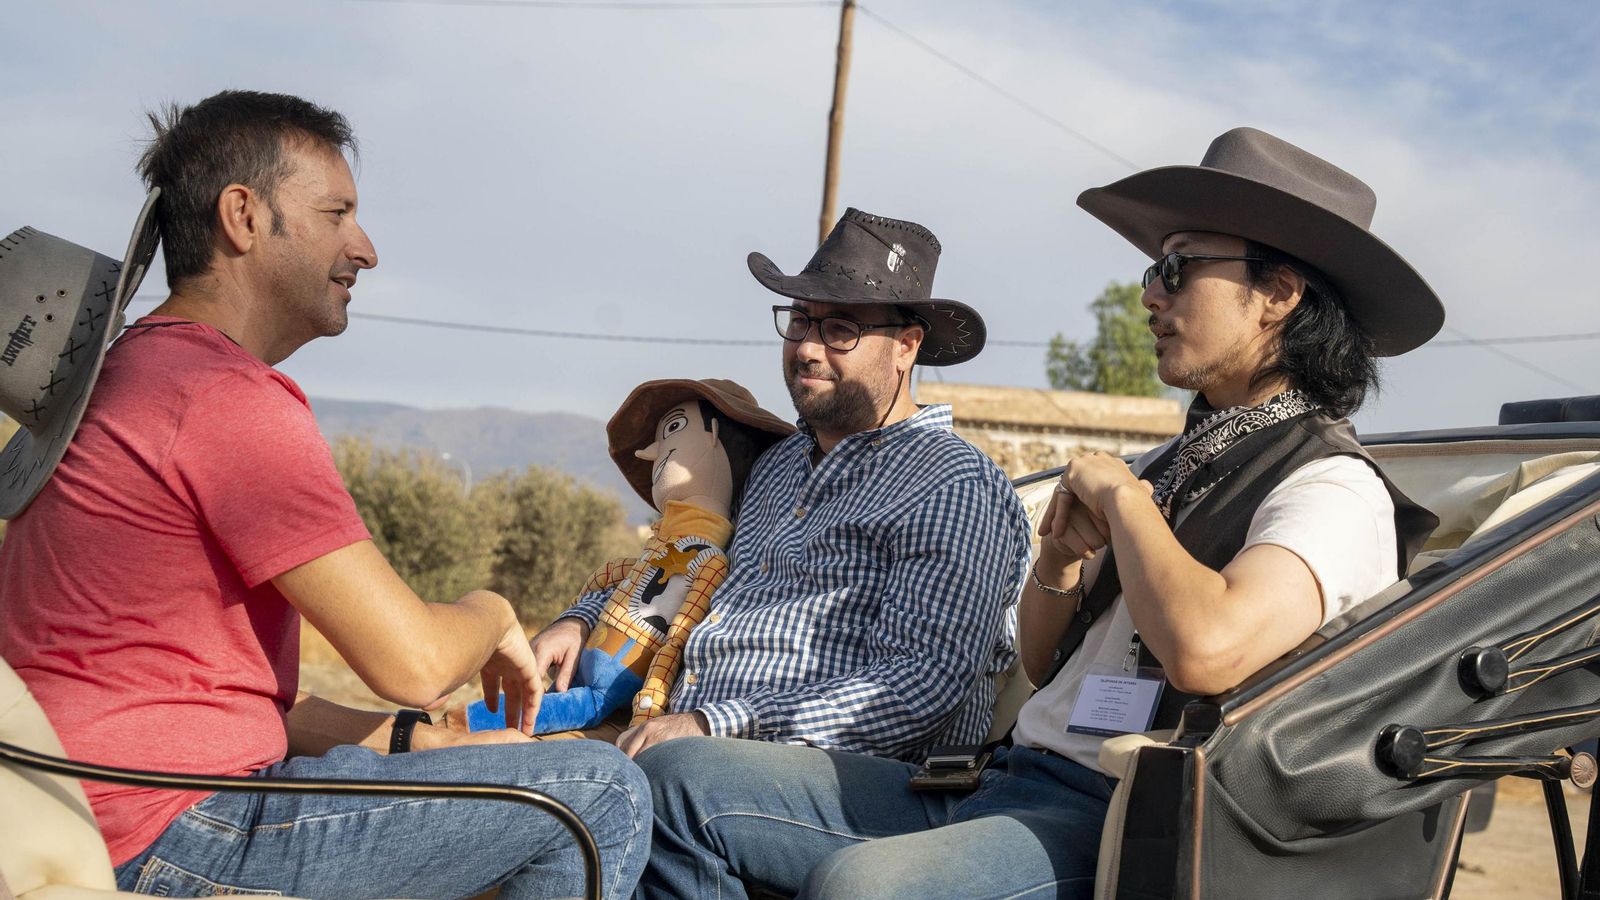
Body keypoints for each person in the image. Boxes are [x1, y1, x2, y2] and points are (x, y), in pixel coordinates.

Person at [633, 128, 1443, 900]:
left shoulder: (1331, 488)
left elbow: (1207, 651)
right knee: (675, 782)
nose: (1150, 295)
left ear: (1278, 292)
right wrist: (1057, 564)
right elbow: (1046, 654)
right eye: (1155, 272)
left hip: (1122, 822)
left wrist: (1126, 505)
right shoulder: (1167, 463)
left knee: (861, 888)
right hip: (1004, 779)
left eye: (1179, 269)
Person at [0, 90, 648, 899]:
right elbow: (411, 662)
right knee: (597, 796)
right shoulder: (221, 398)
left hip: (111, 808)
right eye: (337, 213)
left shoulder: (134, 379)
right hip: (174, 833)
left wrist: (425, 742)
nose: (365, 248)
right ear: (243, 216)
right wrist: (492, 613)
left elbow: (214, 700)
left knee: (512, 778)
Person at [524, 208, 1032, 764]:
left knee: (620, 790)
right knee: (492, 761)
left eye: (840, 329)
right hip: (673, 740)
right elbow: (684, 566)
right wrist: (581, 619)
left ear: (907, 346)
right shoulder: (776, 464)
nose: (808, 348)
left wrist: (714, 724)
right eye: (800, 320)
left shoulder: (953, 483)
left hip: (845, 783)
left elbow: (916, 689)